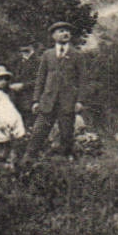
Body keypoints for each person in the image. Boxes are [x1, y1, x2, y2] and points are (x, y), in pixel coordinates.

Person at [25, 21, 86, 161]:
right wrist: (35, 100)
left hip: (67, 104)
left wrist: (80, 101)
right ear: (53, 36)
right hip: (47, 103)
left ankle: (64, 166)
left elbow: (82, 80)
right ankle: (27, 164)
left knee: (66, 136)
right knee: (38, 133)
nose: (65, 33)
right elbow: (40, 79)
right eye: (61, 31)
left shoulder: (77, 55)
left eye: (67, 31)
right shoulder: (48, 55)